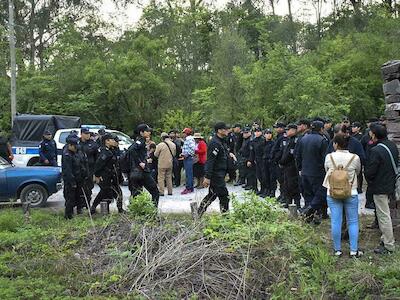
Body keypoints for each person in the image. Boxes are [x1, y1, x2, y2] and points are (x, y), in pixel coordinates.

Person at [323, 133, 362, 257]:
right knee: (353, 221)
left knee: (335, 220)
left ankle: (337, 250)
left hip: (332, 192)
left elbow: (326, 170)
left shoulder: (329, 157)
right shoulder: (355, 158)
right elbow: (358, 171)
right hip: (351, 191)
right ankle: (353, 250)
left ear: (335, 144)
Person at [365, 124, 398, 254]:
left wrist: (369, 178)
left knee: (383, 215)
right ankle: (385, 238)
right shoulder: (392, 146)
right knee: (385, 213)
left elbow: (370, 172)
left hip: (380, 187)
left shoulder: (376, 150)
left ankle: (389, 245)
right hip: (390, 184)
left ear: (374, 134)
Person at [198, 122, 235, 217]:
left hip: (221, 173)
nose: (227, 131)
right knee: (224, 196)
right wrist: (207, 176)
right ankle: (225, 218)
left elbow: (223, 155)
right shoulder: (214, 143)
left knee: (212, 195)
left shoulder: (222, 141)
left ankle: (198, 213)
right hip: (216, 174)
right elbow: (210, 161)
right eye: (225, 129)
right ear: (219, 130)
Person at [296, 120, 329, 223]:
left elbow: (298, 155)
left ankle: (309, 216)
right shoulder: (322, 140)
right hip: (318, 172)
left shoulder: (303, 139)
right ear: (321, 129)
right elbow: (325, 158)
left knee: (308, 194)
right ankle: (312, 211)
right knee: (319, 194)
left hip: (305, 171)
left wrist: (300, 168)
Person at [91, 133, 124, 214]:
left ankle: (120, 209)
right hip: (105, 177)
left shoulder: (111, 150)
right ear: (107, 141)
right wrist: (97, 176)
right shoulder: (104, 152)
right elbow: (98, 165)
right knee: (106, 193)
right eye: (112, 140)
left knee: (116, 193)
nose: (114, 142)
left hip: (112, 176)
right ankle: (95, 208)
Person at [128, 124, 160, 206]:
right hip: (141, 171)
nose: (149, 132)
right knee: (155, 192)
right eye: (147, 131)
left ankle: (138, 211)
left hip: (139, 171)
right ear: (141, 133)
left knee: (137, 193)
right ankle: (153, 211)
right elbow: (131, 150)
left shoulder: (142, 140)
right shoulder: (140, 141)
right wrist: (139, 162)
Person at [62, 135, 84, 219]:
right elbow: (68, 170)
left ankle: (76, 211)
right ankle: (68, 215)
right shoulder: (67, 155)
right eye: (75, 147)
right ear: (70, 145)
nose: (76, 149)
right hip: (70, 180)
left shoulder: (75, 152)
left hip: (77, 178)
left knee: (78, 196)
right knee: (70, 198)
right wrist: (72, 182)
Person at [279, 124, 301, 208]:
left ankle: (297, 203)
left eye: (288, 130)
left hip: (292, 166)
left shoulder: (296, 140)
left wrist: (282, 161)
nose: (286, 132)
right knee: (287, 184)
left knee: (293, 185)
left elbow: (291, 154)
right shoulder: (289, 139)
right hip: (286, 166)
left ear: (293, 130)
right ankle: (288, 201)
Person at [78, 127, 98, 204]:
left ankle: (87, 204)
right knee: (79, 188)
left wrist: (95, 172)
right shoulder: (77, 143)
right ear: (81, 134)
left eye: (88, 133)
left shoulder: (93, 144)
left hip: (90, 169)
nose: (88, 135)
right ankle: (80, 205)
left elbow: (97, 158)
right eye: (86, 133)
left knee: (89, 188)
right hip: (79, 170)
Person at [271, 122, 287, 203]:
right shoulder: (278, 136)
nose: (276, 129)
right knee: (280, 180)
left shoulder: (283, 137)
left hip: (281, 162)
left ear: (281, 128)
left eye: (277, 128)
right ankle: (282, 194)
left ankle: (285, 196)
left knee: (283, 180)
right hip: (277, 161)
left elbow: (282, 151)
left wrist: (278, 159)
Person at [249, 128, 265, 195]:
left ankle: (264, 189)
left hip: (263, 160)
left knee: (264, 176)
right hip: (256, 160)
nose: (257, 133)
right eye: (255, 132)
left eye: (258, 131)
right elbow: (252, 152)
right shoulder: (253, 141)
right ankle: (261, 189)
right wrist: (250, 160)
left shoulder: (263, 140)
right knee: (259, 176)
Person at [240, 127, 257, 192]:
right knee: (246, 172)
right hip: (244, 157)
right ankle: (248, 184)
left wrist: (250, 160)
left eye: (246, 133)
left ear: (249, 133)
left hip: (249, 157)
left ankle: (251, 185)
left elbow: (251, 151)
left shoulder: (250, 140)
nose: (244, 134)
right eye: (244, 133)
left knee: (251, 173)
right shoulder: (245, 140)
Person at [181, 128, 196, 194]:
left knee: (189, 174)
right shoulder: (188, 139)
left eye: (183, 133)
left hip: (188, 158)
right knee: (189, 173)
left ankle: (188, 188)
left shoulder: (189, 139)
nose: (182, 134)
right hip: (187, 157)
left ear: (186, 133)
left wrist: (187, 154)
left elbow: (193, 148)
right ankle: (191, 188)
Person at [262, 129, 276, 198]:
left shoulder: (273, 143)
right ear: (264, 135)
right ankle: (267, 190)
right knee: (265, 176)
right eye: (267, 133)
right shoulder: (263, 143)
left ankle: (272, 191)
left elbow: (273, 152)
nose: (268, 135)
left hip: (271, 162)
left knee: (272, 177)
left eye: (270, 133)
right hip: (264, 161)